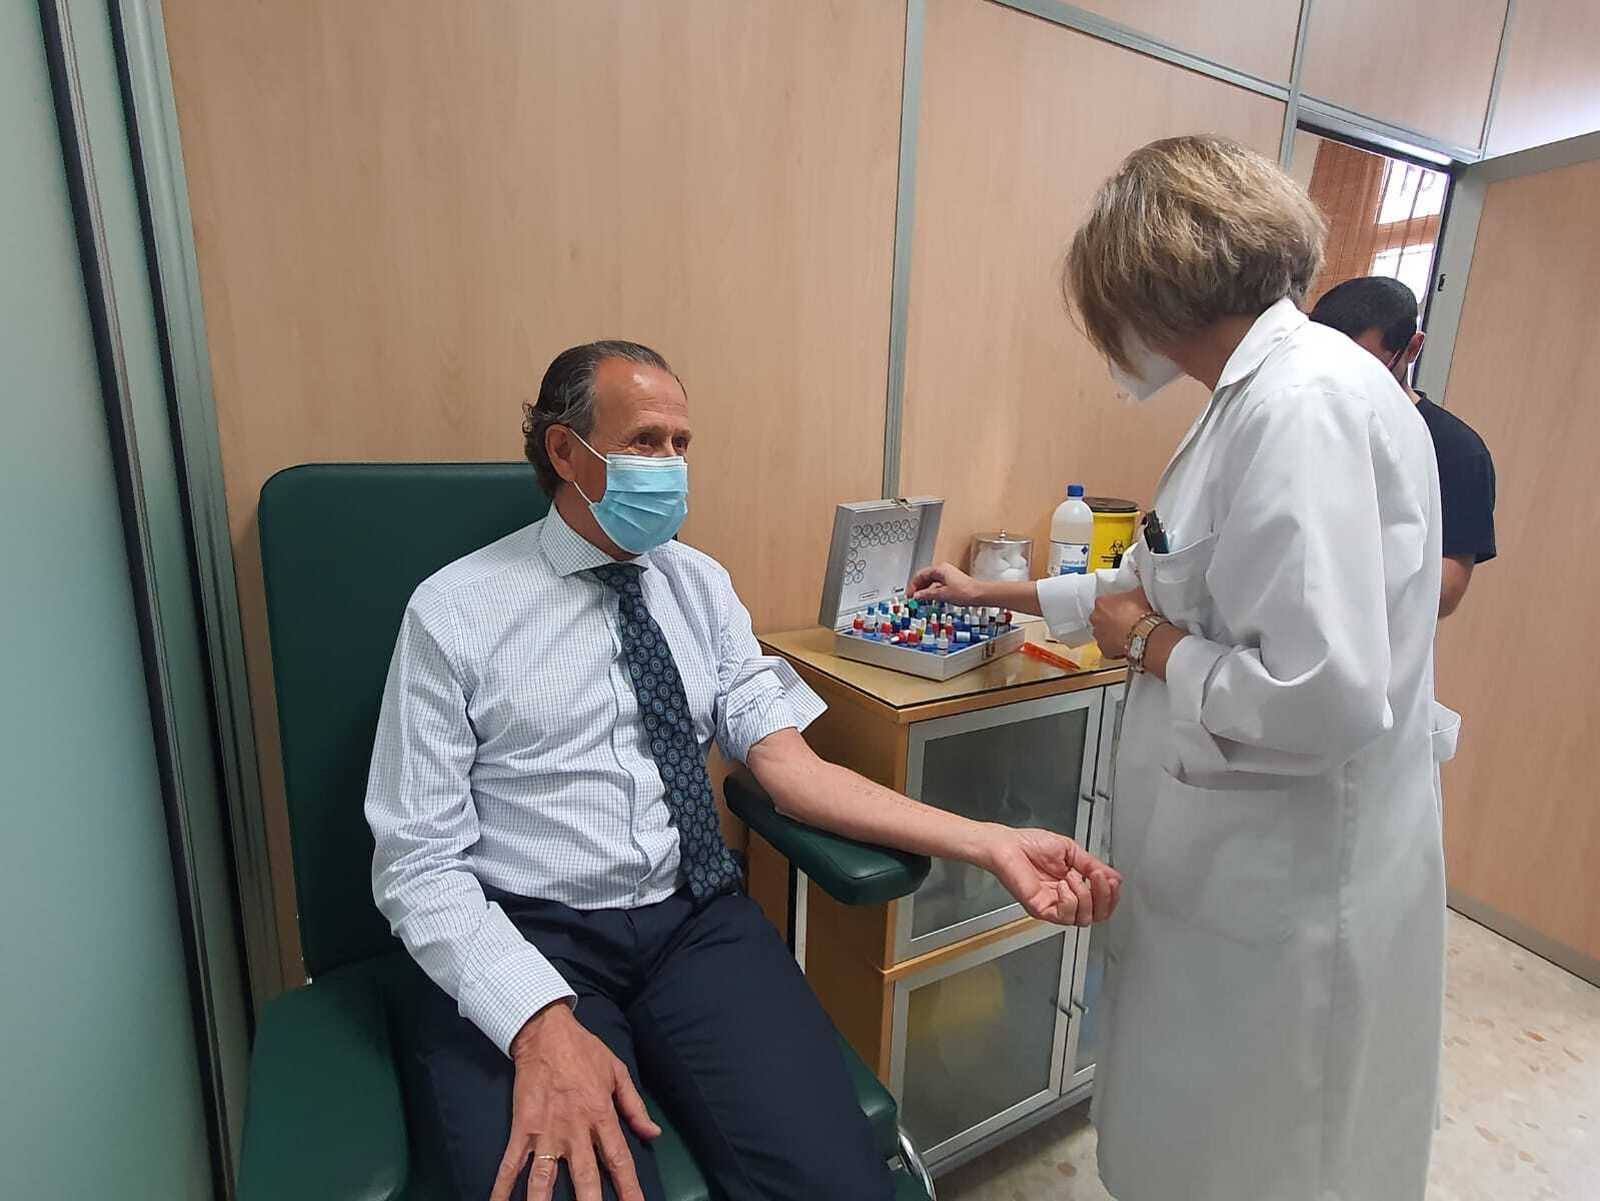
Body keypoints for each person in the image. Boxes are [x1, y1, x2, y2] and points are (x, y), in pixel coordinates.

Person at [365, 340, 1120, 1201]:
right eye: (646, 441)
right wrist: (537, 1020)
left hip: (696, 921)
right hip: (532, 930)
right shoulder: (455, 610)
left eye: (682, 445)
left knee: (838, 1182)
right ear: (566, 453)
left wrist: (987, 842)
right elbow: (416, 863)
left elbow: (791, 769)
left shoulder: (699, 585)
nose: (672, 467)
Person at [913, 136, 1445, 1201]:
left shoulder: (1303, 406)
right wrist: (996, 594)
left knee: (1270, 1154)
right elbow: (1155, 576)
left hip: (1283, 886)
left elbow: (1320, 692)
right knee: (1198, 1137)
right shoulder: (1251, 401)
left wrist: (1149, 650)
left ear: (1150, 285)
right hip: (1227, 871)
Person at [1310, 275, 1497, 617]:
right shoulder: (1304, 417)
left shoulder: (1458, 450)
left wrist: (1333, 564)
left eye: (1364, 365)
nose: (1342, 379)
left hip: (1379, 647)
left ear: (1412, 348)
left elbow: (1445, 593)